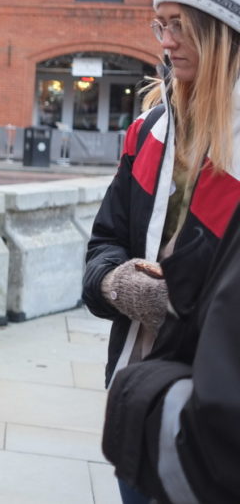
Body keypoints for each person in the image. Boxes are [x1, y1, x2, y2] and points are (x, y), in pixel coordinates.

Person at [83, 0, 240, 503]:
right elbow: (102, 244)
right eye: (160, 24)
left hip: (215, 419)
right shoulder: (149, 132)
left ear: (224, 31)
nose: (165, 41)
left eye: (180, 24)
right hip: (140, 397)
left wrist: (173, 301)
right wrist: (113, 281)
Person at [103, 207, 240, 504]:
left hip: (195, 436)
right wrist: (109, 281)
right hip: (147, 394)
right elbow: (106, 240)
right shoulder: (142, 158)